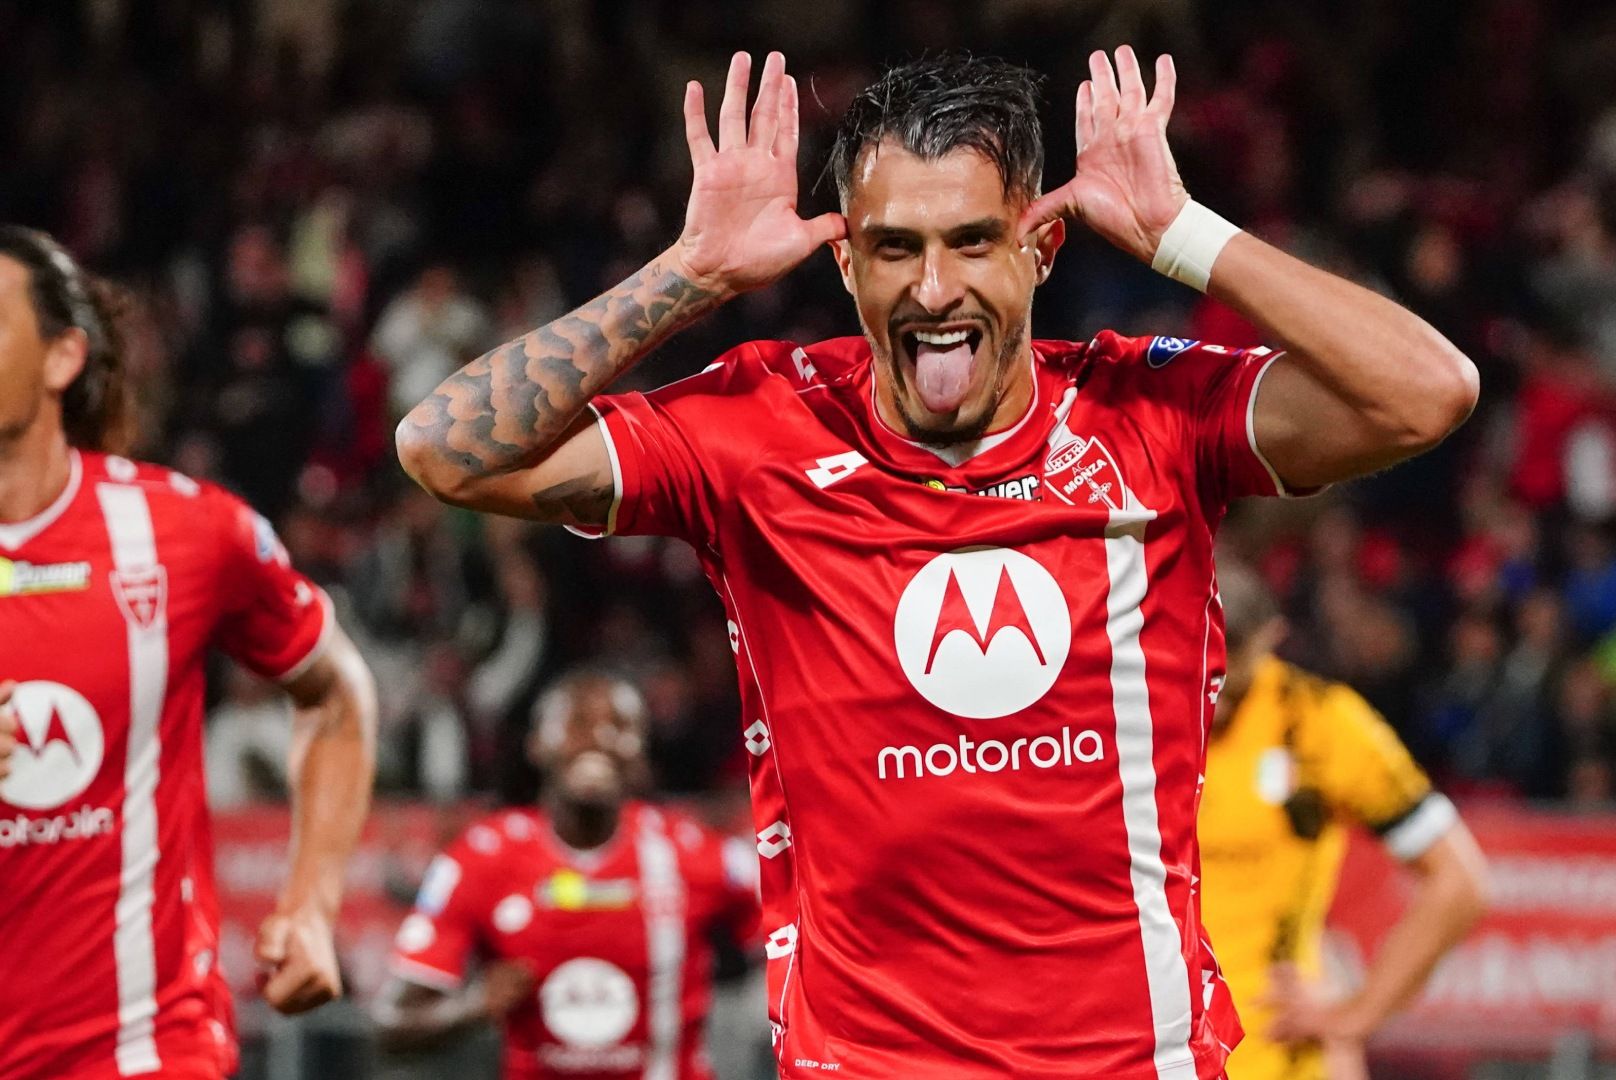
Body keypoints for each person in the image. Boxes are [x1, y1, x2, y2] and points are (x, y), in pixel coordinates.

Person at [396, 48, 1477, 1079]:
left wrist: (1178, 232)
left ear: (1039, 249)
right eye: (894, 248)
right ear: (845, 261)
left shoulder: (1148, 416)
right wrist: (692, 273)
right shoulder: (758, 429)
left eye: (971, 241)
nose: (933, 288)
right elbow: (445, 451)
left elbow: (1427, 395)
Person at [0, 225, 378, 1080]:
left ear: (62, 358)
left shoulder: (185, 532)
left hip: (145, 1051)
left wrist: (311, 905)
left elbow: (334, 691)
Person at [373, 670, 758, 1079]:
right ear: (536, 744)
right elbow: (390, 1027)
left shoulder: (695, 853)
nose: (598, 739)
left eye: (619, 727)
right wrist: (473, 1007)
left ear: (641, 755)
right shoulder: (481, 859)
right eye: (577, 724)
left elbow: (788, 945)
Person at [1200, 563, 1487, 1080]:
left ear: (1271, 637)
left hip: (1271, 1057)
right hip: (1134, 1051)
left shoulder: (1317, 723)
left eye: (1232, 657)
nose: (1213, 677)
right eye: (1197, 652)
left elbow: (1459, 881)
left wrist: (1356, 1014)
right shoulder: (1122, 718)